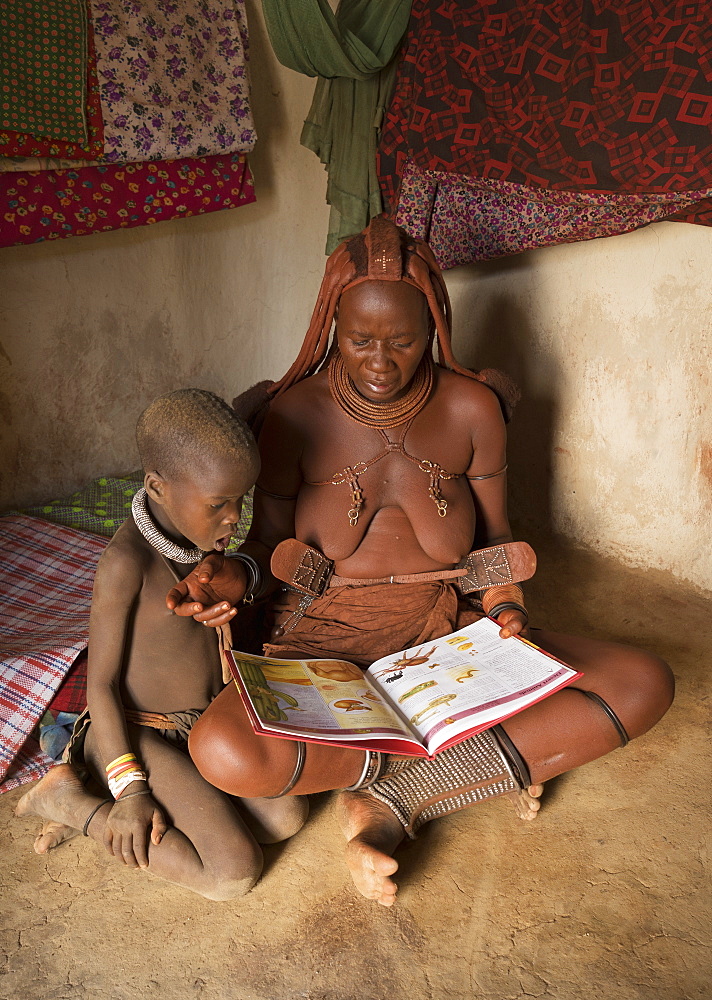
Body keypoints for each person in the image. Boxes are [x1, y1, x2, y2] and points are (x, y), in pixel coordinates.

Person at [168, 218, 675, 907]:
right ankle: (474, 763)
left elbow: (496, 542)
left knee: (642, 683)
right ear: (332, 330)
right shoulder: (294, 412)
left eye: (402, 341)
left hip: (447, 634)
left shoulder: (472, 409)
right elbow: (264, 547)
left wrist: (505, 611)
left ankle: (391, 796)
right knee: (222, 750)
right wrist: (233, 577)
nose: (380, 361)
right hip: (323, 641)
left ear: (433, 330)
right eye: (360, 341)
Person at [16, 389, 307, 900]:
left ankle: (108, 794)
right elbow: (101, 686)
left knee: (286, 816)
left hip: (200, 726)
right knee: (233, 872)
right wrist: (132, 791)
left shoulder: (207, 553)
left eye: (241, 499)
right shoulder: (126, 564)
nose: (233, 518)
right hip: (136, 733)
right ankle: (72, 803)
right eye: (218, 504)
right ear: (157, 486)